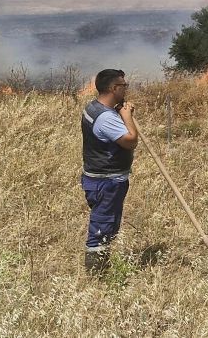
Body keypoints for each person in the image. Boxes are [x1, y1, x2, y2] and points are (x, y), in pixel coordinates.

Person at [80, 68, 138, 275]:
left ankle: (102, 266)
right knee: (102, 226)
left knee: (108, 223)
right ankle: (97, 275)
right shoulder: (106, 117)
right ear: (114, 88)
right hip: (107, 181)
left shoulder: (93, 108)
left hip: (97, 178)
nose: (126, 89)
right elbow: (130, 141)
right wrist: (126, 116)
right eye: (124, 86)